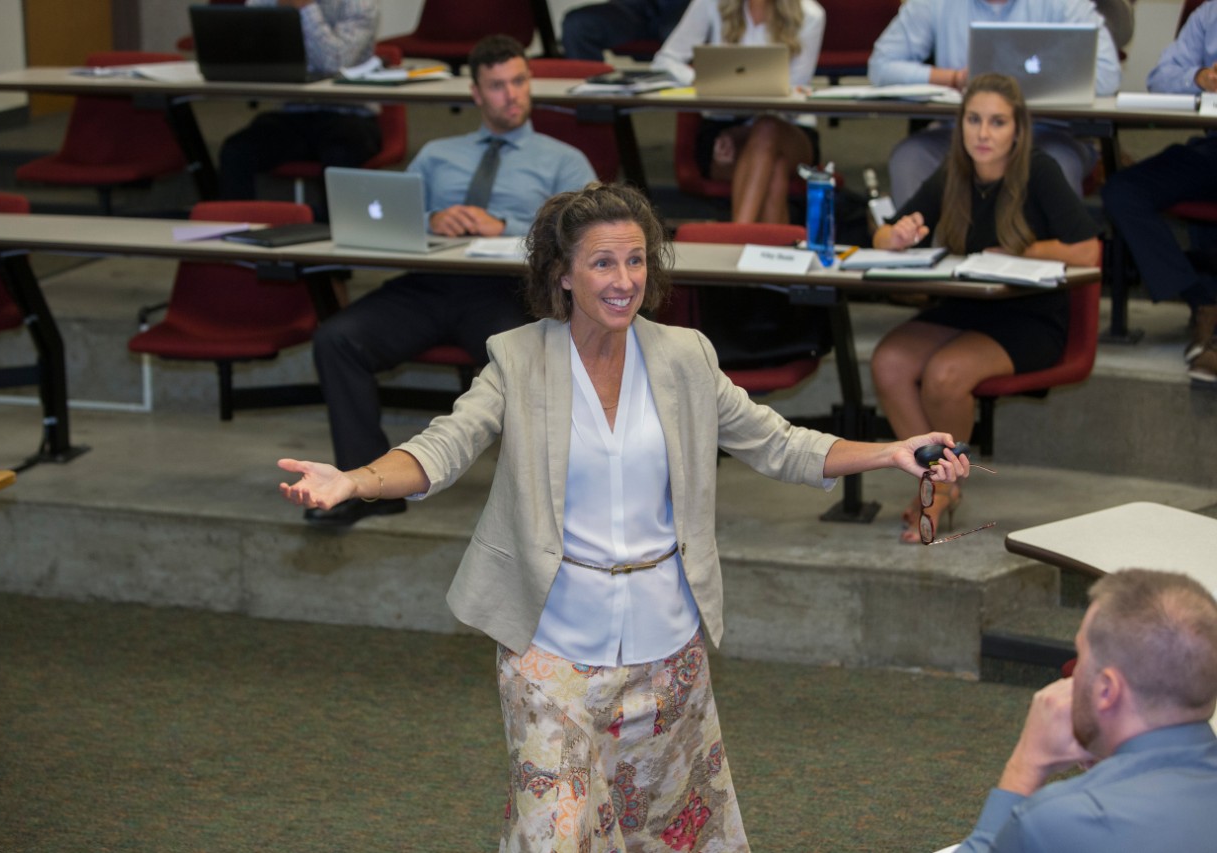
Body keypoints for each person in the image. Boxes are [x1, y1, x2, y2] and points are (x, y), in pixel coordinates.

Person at [279, 182, 976, 851]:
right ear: (562, 275)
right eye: (603, 261)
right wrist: (355, 480)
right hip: (552, 644)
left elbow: (781, 444)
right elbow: (442, 447)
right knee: (556, 829)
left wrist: (889, 452)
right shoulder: (517, 359)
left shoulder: (685, 357)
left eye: (637, 258)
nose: (624, 278)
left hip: (666, 648)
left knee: (662, 831)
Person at [305, 34, 596, 528]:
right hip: (430, 285)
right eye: (498, 86)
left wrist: (505, 226)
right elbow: (397, 217)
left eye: (519, 81)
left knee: (524, 358)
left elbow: (589, 236)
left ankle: (542, 503)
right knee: (337, 338)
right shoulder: (439, 153)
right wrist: (432, 219)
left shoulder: (563, 160)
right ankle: (371, 490)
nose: (512, 94)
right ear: (477, 94)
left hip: (506, 291)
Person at [870, 74, 1100, 544]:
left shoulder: (1039, 171)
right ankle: (933, 478)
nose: (983, 133)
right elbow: (881, 234)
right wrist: (894, 236)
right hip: (966, 306)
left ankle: (943, 488)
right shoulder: (954, 171)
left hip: (1029, 316)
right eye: (974, 120)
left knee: (946, 375)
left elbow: (1088, 252)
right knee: (888, 362)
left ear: (1017, 129)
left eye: (997, 122)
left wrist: (1020, 251)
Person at [955, 568, 1217, 852]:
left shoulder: (1060, 821)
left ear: (1106, 691)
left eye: (1080, 657)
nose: (1073, 674)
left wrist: (1026, 765)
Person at [868, 0, 1121, 208]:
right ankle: (921, 259)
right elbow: (880, 67)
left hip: (1047, 133)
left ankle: (1050, 260)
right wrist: (953, 78)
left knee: (1056, 165)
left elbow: (1107, 76)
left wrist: (1018, 85)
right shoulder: (933, 4)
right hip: (960, 134)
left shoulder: (1065, 4)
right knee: (910, 157)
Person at [1101, 0, 1217, 383]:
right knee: (1123, 190)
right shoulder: (1208, 14)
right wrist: (1201, 77)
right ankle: (1203, 299)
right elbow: (1161, 76)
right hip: (1211, 147)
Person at [651, 0, 825, 224]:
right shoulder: (709, 4)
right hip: (721, 129)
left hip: (788, 130)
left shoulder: (810, 14)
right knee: (774, 172)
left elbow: (793, 92)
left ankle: (734, 239)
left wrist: (741, 133)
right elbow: (665, 61)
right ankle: (769, 250)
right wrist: (702, 79)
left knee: (767, 129)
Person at [217, 0, 381, 206]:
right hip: (294, 112)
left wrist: (305, 7)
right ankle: (234, 227)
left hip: (350, 113)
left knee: (340, 153)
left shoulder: (360, 5)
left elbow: (334, 62)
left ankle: (330, 231)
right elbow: (247, 38)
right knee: (236, 151)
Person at [562, 0, 693, 61]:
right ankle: (594, 109)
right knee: (578, 25)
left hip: (688, 7)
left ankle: (701, 111)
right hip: (632, 8)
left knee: (678, 36)